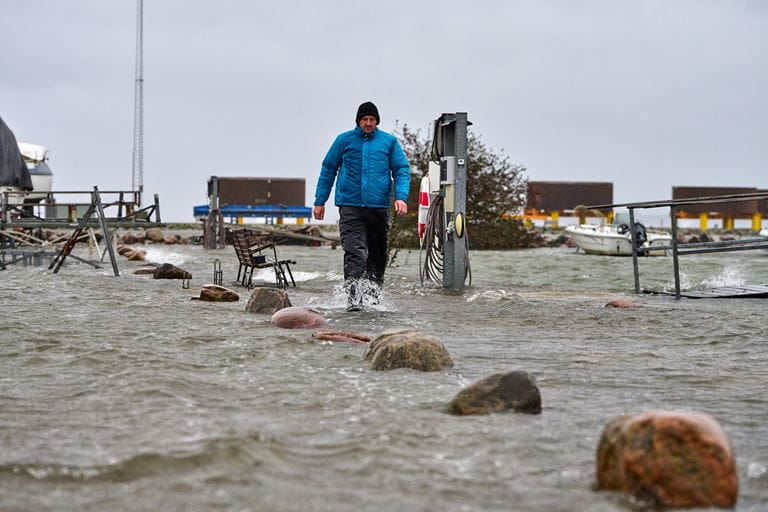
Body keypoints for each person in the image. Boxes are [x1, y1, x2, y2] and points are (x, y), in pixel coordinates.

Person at [313, 101, 410, 311]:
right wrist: (319, 201)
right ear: (358, 121)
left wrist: (400, 197)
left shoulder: (389, 142)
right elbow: (328, 169)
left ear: (377, 121)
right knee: (355, 252)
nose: (368, 123)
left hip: (379, 207)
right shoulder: (344, 140)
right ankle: (353, 300)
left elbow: (401, 169)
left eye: (372, 120)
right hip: (350, 205)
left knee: (377, 254)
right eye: (365, 119)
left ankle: (373, 299)